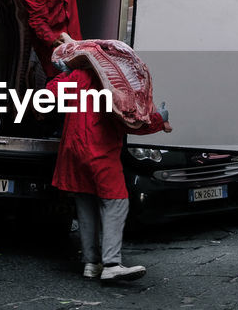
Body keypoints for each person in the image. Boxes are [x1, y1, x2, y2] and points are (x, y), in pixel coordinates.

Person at [44, 65, 169, 282]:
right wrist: (159, 118)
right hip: (99, 150)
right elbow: (131, 122)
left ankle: (91, 263)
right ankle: (111, 264)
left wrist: (65, 72)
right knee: (116, 203)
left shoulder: (78, 74)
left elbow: (50, 93)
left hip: (74, 150)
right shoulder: (114, 81)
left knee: (86, 204)